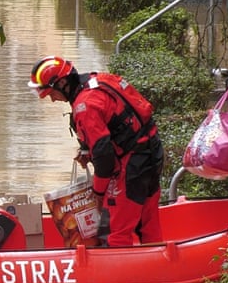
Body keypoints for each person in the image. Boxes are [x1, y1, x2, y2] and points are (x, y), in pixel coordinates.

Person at [28, 56, 165, 247]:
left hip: (132, 166)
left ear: (62, 84)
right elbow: (117, 122)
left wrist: (98, 192)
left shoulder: (85, 106)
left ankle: (119, 273)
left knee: (113, 231)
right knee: (147, 222)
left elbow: (104, 158)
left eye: (51, 93)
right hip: (152, 153)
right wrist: (86, 151)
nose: (52, 99)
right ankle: (157, 264)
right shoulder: (100, 79)